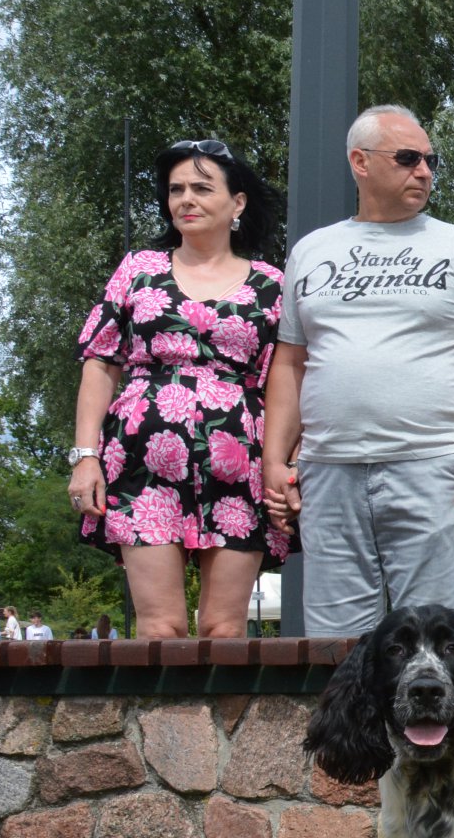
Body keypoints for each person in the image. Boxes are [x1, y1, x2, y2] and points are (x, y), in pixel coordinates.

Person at [262, 104, 454, 635]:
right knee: (335, 644)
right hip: (328, 470)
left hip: (429, 466)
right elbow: (290, 362)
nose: (424, 171)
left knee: (429, 639)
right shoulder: (311, 251)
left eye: (429, 160)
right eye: (407, 158)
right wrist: (273, 461)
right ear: (360, 162)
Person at [69, 139, 293, 637]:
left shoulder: (272, 284)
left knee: (224, 628)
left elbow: (288, 380)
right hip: (141, 467)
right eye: (176, 190)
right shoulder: (138, 270)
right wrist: (85, 457)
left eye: (202, 188)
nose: (186, 199)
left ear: (237, 203)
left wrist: (287, 463)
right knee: (159, 627)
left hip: (239, 466)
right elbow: (100, 362)